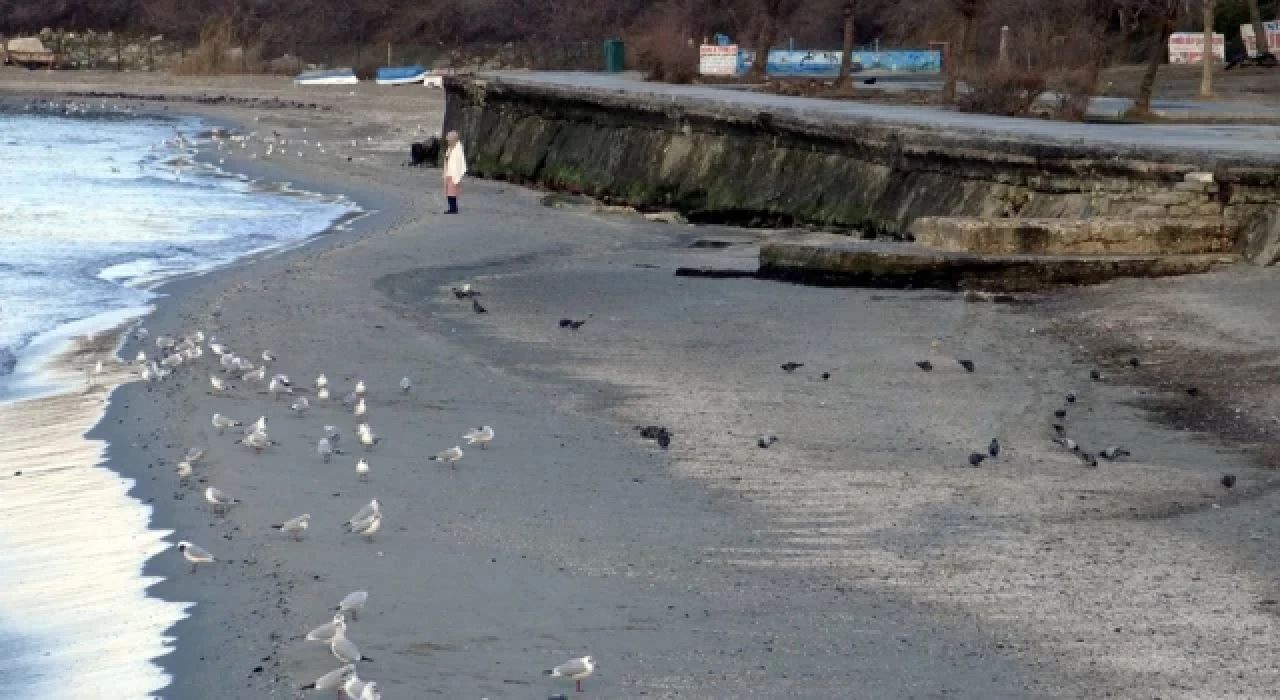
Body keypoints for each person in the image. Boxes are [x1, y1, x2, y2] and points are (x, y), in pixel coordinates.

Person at [442, 130, 467, 214]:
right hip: (448, 172)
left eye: (449, 140)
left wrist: (457, 175)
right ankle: (451, 208)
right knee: (448, 191)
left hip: (453, 173)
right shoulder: (450, 148)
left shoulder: (458, 149)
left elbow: (459, 163)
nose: (448, 141)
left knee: (452, 191)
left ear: (453, 139)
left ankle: (453, 209)